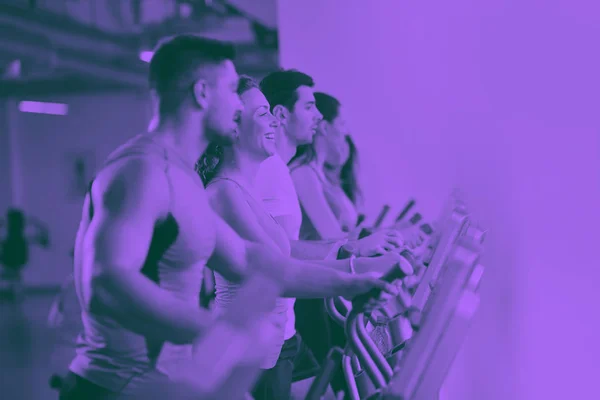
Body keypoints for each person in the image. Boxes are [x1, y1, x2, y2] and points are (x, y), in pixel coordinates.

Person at [61, 36, 403, 400]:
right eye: (231, 89)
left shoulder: (185, 177)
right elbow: (107, 280)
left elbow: (249, 259)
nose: (238, 104)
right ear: (202, 93)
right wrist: (217, 331)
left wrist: (352, 280)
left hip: (166, 384)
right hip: (117, 388)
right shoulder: (142, 171)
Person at [198, 76, 407, 400]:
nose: (273, 123)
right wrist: (356, 274)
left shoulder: (243, 188)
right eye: (262, 114)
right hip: (248, 358)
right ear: (233, 127)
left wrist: (355, 256)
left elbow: (286, 249)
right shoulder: (223, 193)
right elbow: (276, 273)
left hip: (269, 349)